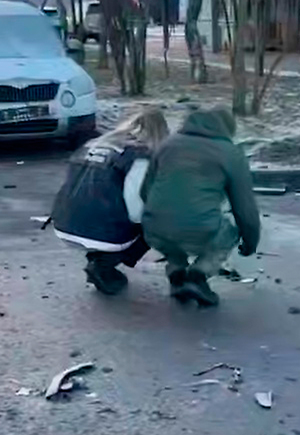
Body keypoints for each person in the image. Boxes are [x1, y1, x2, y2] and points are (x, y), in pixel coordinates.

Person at [142, 106, 261, 307]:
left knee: (170, 231)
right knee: (229, 231)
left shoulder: (167, 144)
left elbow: (145, 190)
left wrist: (159, 215)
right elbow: (245, 209)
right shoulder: (230, 153)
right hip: (198, 228)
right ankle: (198, 276)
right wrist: (250, 243)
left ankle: (177, 272)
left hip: (153, 228)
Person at [50, 108, 170, 294]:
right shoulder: (139, 156)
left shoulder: (91, 146)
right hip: (101, 231)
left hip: (64, 222)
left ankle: (98, 258)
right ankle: (104, 264)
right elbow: (136, 209)